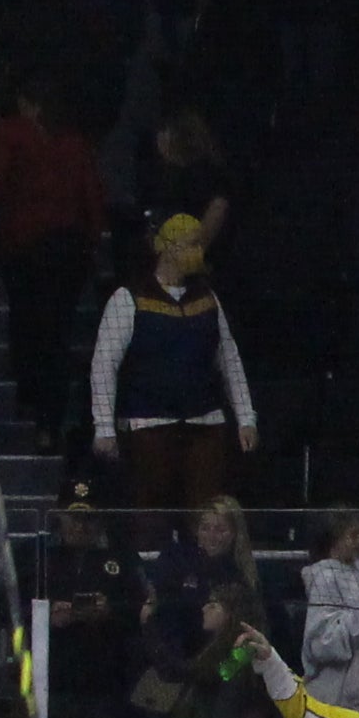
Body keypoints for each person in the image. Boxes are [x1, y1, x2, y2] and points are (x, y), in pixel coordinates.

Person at [90, 213, 261, 511]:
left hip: (204, 422)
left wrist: (246, 417)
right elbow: (104, 365)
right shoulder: (128, 298)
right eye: (190, 244)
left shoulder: (207, 298)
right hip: (148, 423)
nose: (198, 252)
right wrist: (104, 426)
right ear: (167, 248)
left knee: (205, 512)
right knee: (150, 513)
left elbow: (229, 359)